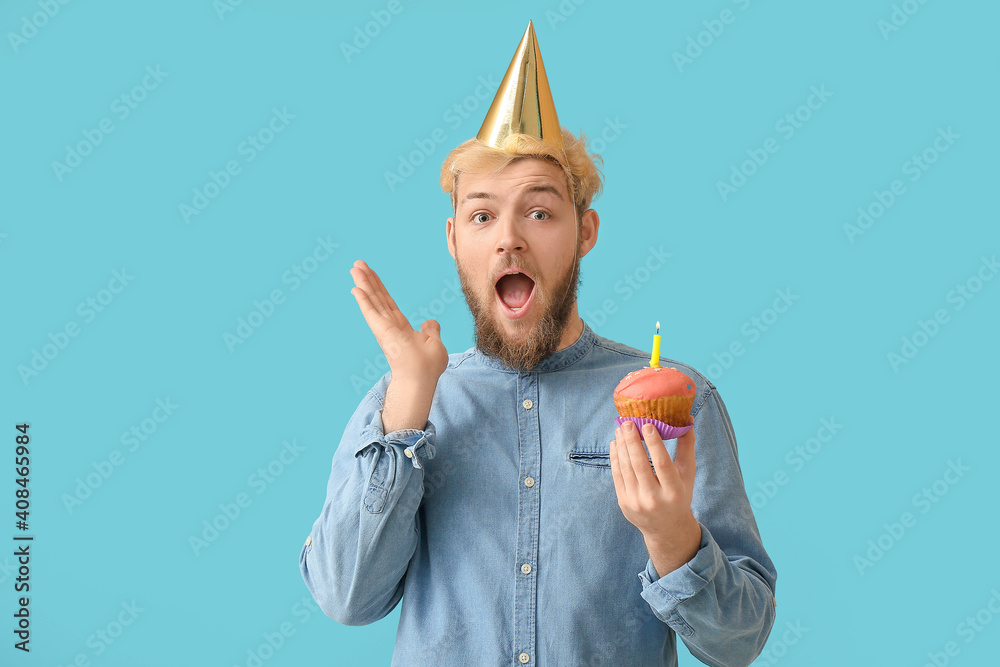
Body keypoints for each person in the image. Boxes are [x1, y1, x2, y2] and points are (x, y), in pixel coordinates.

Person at [299, 21, 776, 667]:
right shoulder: (400, 405)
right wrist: (411, 397)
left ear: (586, 232)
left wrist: (672, 535)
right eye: (482, 214)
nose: (508, 239)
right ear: (453, 241)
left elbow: (738, 643)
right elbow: (345, 596)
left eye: (540, 211)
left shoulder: (675, 402)